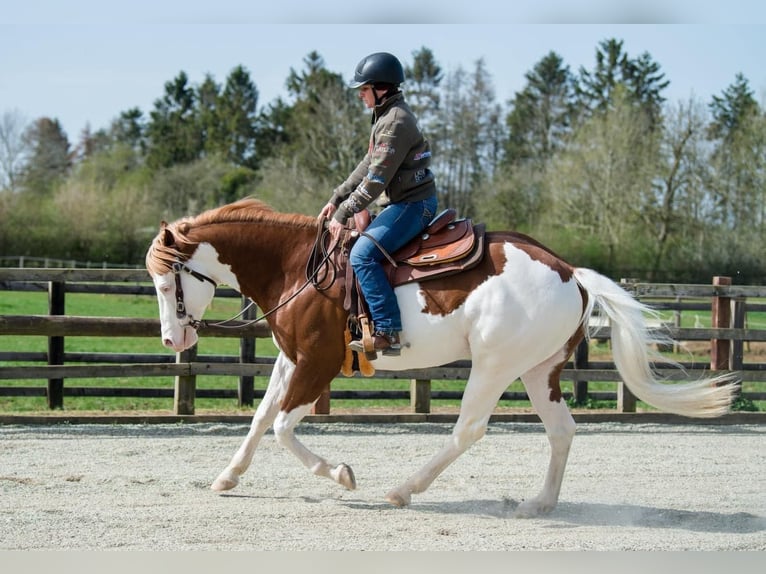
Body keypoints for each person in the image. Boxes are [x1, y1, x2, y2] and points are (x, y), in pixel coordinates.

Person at [319, 52, 438, 356]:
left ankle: (387, 330)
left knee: (362, 255)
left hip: (413, 205)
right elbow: (367, 163)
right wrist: (337, 198)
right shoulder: (386, 117)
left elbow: (376, 180)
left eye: (363, 89)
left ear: (380, 88)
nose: (360, 95)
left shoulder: (396, 121)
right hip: (400, 203)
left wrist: (345, 211)